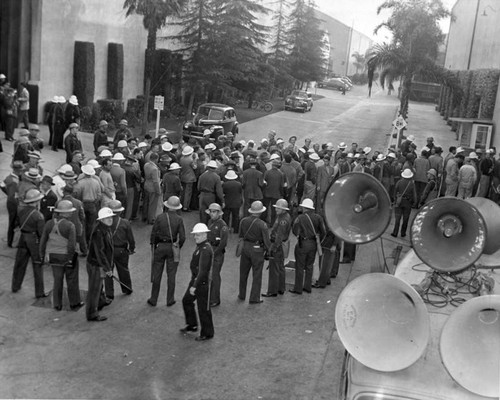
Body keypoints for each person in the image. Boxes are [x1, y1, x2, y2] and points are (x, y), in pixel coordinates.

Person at [39, 199, 84, 311]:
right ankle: (74, 302)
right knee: (72, 279)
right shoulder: (70, 225)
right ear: (64, 213)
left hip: (53, 257)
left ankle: (57, 304)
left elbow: (43, 241)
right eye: (69, 211)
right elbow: (71, 245)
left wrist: (42, 255)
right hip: (66, 256)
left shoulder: (49, 223)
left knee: (57, 280)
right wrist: (70, 259)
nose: (71, 213)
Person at [148, 196, 186, 307]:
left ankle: (153, 299)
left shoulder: (160, 217)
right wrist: (178, 246)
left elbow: (153, 234)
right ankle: (170, 299)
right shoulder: (179, 219)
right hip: (172, 247)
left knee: (157, 274)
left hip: (160, 246)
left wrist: (154, 246)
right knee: (171, 275)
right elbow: (182, 237)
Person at [180, 223, 215, 341]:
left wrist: (194, 286)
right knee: (187, 301)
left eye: (198, 235)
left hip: (201, 283)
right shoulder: (201, 246)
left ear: (205, 235)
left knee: (203, 309)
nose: (196, 237)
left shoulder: (205, 249)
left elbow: (202, 270)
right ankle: (192, 324)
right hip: (196, 280)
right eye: (195, 235)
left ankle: (207, 332)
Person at [11, 189, 47, 298]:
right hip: (34, 240)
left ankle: (15, 285)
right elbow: (42, 233)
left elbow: (16, 222)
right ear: (36, 201)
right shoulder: (38, 216)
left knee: (20, 263)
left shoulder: (21, 210)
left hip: (23, 238)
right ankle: (39, 292)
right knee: (37, 265)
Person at [289, 198, 326, 295]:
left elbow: (294, 229)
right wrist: (318, 240)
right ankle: (307, 286)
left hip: (302, 243)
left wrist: (299, 235)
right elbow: (323, 232)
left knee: (300, 266)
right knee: (310, 265)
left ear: (304, 208)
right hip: (313, 244)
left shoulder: (300, 218)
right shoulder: (318, 217)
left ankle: (298, 288)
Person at [238, 201, 271, 304]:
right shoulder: (262, 224)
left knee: (243, 272)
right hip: (257, 249)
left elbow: (240, 235)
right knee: (257, 274)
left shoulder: (243, 221)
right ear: (260, 212)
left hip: (246, 247)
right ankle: (254, 297)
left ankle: (241, 294)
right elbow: (266, 240)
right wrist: (268, 251)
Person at [85, 207, 115, 322]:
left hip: (98, 264)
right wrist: (107, 268)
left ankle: (101, 301)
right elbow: (100, 252)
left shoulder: (105, 229)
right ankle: (92, 314)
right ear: (101, 220)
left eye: (110, 217)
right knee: (94, 289)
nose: (110, 219)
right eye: (107, 218)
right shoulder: (99, 232)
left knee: (99, 285)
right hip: (96, 265)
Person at [104, 200, 135, 300]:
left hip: (108, 250)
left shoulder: (103, 222)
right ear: (120, 211)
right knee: (124, 270)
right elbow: (130, 238)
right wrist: (131, 248)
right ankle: (127, 288)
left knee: (108, 272)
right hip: (121, 250)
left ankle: (109, 293)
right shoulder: (125, 223)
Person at [262, 199, 292, 297]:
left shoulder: (283, 220)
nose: (276, 210)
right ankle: (280, 288)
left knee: (274, 268)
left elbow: (279, 236)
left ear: (284, 209)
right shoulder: (284, 216)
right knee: (280, 267)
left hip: (277, 246)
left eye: (279, 208)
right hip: (280, 246)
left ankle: (272, 290)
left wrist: (272, 248)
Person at [205, 203, 228, 307]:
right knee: (208, 275)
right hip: (210, 249)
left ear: (219, 213)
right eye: (211, 212)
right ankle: (209, 296)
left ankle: (215, 299)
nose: (212, 214)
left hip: (217, 252)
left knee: (215, 276)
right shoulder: (210, 222)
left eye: (214, 212)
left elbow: (223, 243)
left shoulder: (222, 226)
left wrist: (215, 253)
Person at [1, 161, 23, 247]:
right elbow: (14, 196)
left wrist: (7, 192)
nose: (21, 172)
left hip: (10, 202)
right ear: (17, 170)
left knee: (12, 221)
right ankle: (11, 242)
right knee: (13, 222)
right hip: (14, 203)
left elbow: (2, 185)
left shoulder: (8, 177)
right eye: (20, 170)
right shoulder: (14, 181)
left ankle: (10, 241)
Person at [391, 169, 417, 238]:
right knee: (405, 219)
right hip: (408, 203)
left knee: (397, 218)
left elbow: (395, 191)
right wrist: (415, 202)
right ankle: (403, 233)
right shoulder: (412, 184)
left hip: (399, 202)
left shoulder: (399, 182)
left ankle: (395, 232)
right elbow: (414, 194)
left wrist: (395, 199)